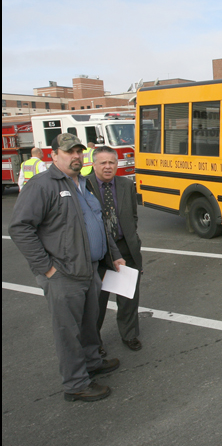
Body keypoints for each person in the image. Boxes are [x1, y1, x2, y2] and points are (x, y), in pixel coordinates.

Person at [9, 133, 125, 403]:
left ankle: (92, 362)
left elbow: (97, 225)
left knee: (88, 326)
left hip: (90, 270)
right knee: (68, 332)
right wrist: (47, 268)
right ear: (54, 155)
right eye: (69, 152)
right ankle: (76, 384)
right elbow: (20, 229)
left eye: (78, 151)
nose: (76, 156)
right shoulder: (42, 185)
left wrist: (114, 255)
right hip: (63, 275)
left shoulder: (83, 183)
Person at [87, 146, 144, 353]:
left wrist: (132, 239)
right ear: (94, 164)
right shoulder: (84, 186)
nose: (108, 167)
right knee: (97, 301)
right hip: (99, 250)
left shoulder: (126, 185)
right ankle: (94, 343)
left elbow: (132, 216)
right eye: (103, 163)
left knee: (128, 296)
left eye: (112, 162)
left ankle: (129, 334)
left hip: (125, 247)